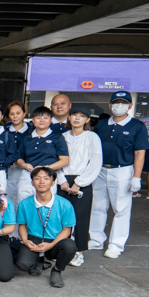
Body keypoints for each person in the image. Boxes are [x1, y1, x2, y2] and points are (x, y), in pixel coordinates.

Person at [89, 91, 149, 259]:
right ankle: (96, 239)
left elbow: (140, 154)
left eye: (124, 102)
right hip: (100, 170)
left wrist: (136, 177)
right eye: (116, 102)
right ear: (110, 105)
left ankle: (116, 244)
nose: (119, 106)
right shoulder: (102, 125)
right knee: (98, 206)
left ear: (130, 106)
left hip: (122, 171)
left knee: (121, 209)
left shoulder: (137, 126)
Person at [15, 167, 77, 288]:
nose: (41, 182)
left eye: (46, 178)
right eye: (37, 178)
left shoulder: (64, 204)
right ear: (32, 183)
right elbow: (22, 226)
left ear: (53, 182)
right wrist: (26, 241)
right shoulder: (25, 204)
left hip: (56, 241)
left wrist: (51, 244)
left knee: (70, 246)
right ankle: (40, 261)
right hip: (34, 240)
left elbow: (67, 230)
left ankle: (57, 270)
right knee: (23, 264)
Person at [56, 109, 102, 267]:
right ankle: (61, 249)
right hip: (63, 180)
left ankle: (79, 252)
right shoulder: (63, 136)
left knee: (80, 218)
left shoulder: (91, 137)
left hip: (83, 179)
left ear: (87, 119)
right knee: (61, 217)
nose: (77, 118)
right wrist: (61, 180)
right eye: (74, 115)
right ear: (68, 117)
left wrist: (79, 183)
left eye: (82, 116)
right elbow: (58, 160)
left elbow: (95, 162)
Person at [15, 106, 69, 204]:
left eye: (45, 118)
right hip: (28, 176)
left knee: (46, 204)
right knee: (23, 204)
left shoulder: (57, 137)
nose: (42, 120)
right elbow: (19, 159)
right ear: (33, 120)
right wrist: (24, 165)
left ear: (50, 120)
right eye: (38, 118)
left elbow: (65, 160)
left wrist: (46, 168)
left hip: (47, 176)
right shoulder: (27, 138)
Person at [4, 101, 33, 209]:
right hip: (8, 169)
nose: (15, 116)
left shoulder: (32, 132)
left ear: (24, 113)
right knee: (9, 199)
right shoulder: (4, 131)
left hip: (26, 169)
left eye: (18, 113)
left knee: (24, 200)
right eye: (12, 114)